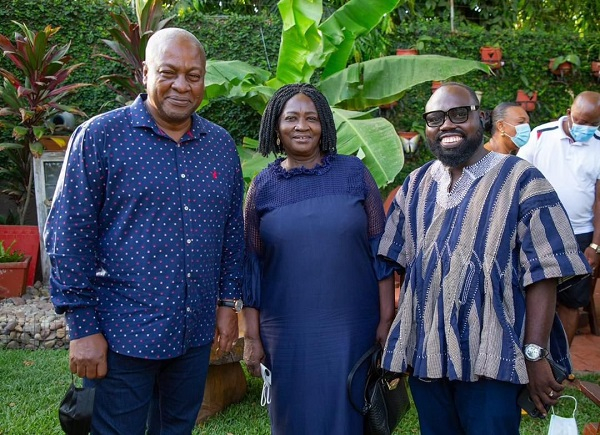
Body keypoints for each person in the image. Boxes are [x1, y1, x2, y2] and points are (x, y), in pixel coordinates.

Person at [44, 28, 245, 434]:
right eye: (169, 72)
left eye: (194, 75)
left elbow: (230, 232)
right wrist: (82, 329)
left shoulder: (219, 145)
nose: (181, 86)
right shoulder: (101, 137)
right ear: (145, 72)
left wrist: (227, 304)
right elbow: (68, 235)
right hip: (121, 337)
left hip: (192, 335)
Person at [378, 82, 590, 434]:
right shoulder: (415, 186)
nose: (447, 124)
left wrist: (535, 355)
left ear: (482, 117)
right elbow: (389, 258)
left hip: (493, 356)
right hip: (428, 354)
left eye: (459, 114)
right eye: (435, 118)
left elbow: (546, 272)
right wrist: (390, 325)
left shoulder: (522, 180)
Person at [242, 83, 395, 434]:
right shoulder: (262, 187)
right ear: (275, 128)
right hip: (286, 332)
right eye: (291, 118)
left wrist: (387, 319)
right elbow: (250, 266)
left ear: (324, 124)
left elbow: (381, 252)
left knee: (350, 413)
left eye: (311, 118)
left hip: (352, 327)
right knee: (295, 419)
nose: (302, 126)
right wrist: (251, 336)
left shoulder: (354, 174)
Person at [518, 91, 600, 345]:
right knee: (529, 293)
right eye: (580, 120)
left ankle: (561, 368)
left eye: (592, 123)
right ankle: (530, 361)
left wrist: (596, 244)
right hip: (538, 229)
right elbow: (518, 180)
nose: (584, 128)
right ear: (569, 113)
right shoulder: (541, 135)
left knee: (572, 302)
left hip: (580, 234)